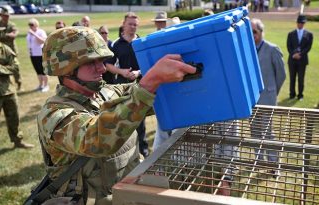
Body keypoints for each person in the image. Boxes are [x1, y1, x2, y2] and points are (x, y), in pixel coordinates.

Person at [37, 26, 196, 204]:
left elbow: (151, 97)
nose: (102, 69)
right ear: (66, 69)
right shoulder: (53, 114)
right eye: (91, 62)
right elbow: (97, 140)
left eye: (102, 61)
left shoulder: (108, 92)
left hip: (130, 194)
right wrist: (150, 82)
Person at [105, 12, 149, 157]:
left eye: (135, 24)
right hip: (121, 87)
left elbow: (147, 65)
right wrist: (121, 71)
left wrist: (138, 72)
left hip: (139, 85)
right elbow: (108, 65)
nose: (132, 27)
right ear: (123, 24)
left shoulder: (141, 43)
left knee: (140, 119)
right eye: (130, 24)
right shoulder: (116, 44)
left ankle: (143, 150)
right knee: (123, 118)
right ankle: (124, 150)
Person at [251, 18, 286, 175]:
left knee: (268, 132)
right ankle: (258, 161)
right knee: (254, 132)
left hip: (268, 99)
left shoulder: (273, 49)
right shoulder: (247, 49)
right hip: (252, 100)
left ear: (261, 32)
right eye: (249, 32)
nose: (252, 35)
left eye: (255, 32)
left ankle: (274, 165)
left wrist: (273, 92)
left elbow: (281, 75)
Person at [0, 41, 34, 149]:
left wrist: (0, 69)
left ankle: (18, 141)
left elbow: (15, 67)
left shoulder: (4, 48)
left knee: (14, 118)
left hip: (8, 90)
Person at [286, 15, 313, 101]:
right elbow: (288, 46)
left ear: (304, 23)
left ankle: (300, 95)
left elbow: (308, 47)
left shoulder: (309, 34)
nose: (300, 24)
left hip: (302, 60)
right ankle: (292, 94)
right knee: (292, 78)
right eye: (299, 22)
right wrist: (293, 54)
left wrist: (300, 54)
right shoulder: (291, 34)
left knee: (301, 78)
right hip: (292, 60)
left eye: (302, 23)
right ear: (297, 23)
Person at [0, 8, 21, 91]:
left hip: (11, 51)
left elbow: (14, 35)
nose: (7, 17)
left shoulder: (11, 25)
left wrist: (3, 35)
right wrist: (8, 35)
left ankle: (18, 82)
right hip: (1, 51)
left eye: (8, 16)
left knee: (15, 67)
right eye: (5, 16)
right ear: (0, 15)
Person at [27, 18, 48, 92]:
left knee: (42, 71)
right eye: (29, 25)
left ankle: (46, 85)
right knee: (38, 71)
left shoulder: (40, 32)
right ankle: (40, 85)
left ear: (36, 24)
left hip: (39, 54)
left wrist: (34, 34)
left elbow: (43, 41)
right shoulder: (29, 33)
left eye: (32, 25)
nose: (30, 26)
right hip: (32, 54)